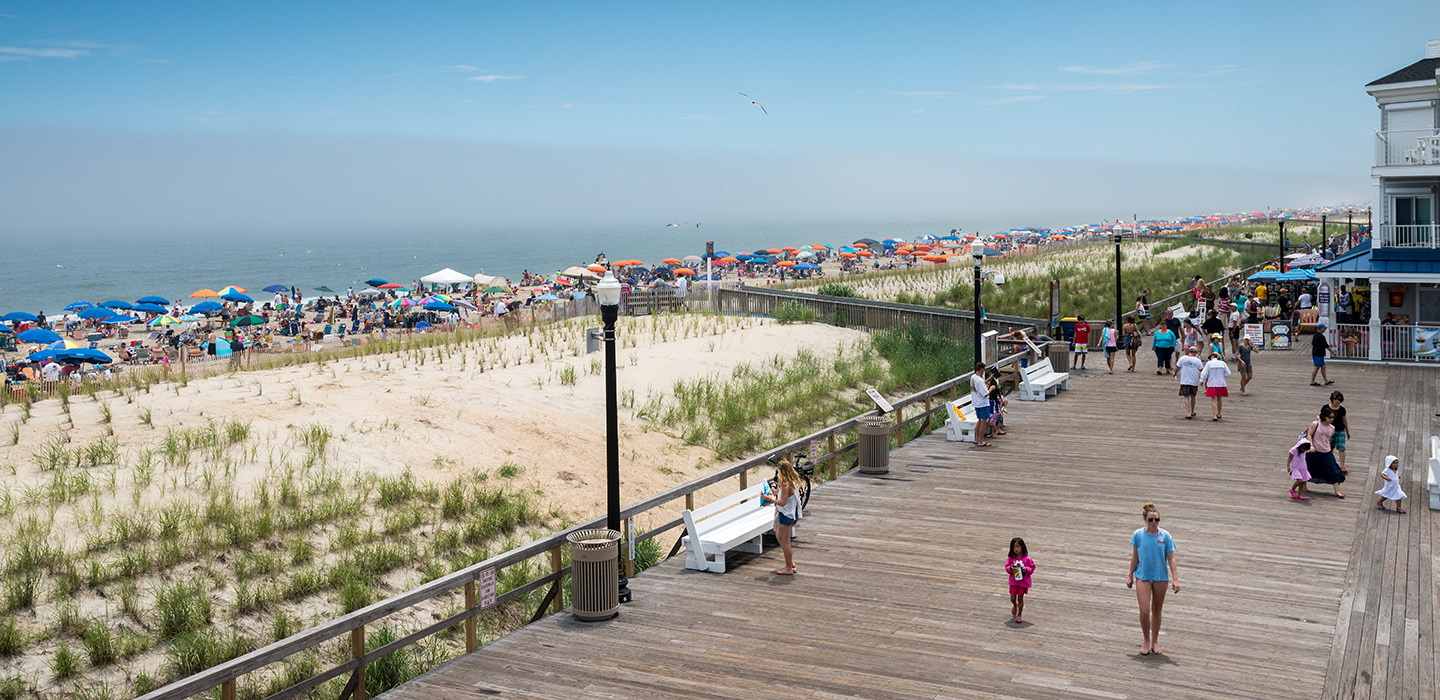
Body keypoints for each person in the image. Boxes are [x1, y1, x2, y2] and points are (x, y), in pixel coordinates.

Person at [1127, 502, 1179, 656]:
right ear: (1145, 520)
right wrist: (1129, 575)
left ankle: (1155, 641)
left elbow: (1171, 558)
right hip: (1143, 575)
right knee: (1144, 611)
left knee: (1157, 610)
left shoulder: (1165, 536)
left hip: (1160, 577)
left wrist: (1175, 579)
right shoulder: (1138, 535)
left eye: (1157, 520)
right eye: (1151, 520)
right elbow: (1135, 557)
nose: (1154, 523)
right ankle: (1146, 640)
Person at [761, 459, 802, 575]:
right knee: (780, 537)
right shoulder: (792, 481)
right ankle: (790, 562)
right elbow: (786, 496)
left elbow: (783, 502)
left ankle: (788, 568)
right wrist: (775, 492)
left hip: (786, 514)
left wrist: (771, 499)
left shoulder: (786, 484)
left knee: (785, 542)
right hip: (790, 513)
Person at [1305, 407, 1345, 498]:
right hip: (1314, 451)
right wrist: (1311, 446)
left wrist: (1330, 450)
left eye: (1333, 417)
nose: (1332, 419)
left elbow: (1328, 440)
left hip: (1326, 451)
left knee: (1332, 469)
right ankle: (1303, 485)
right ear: (1325, 417)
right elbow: (1309, 435)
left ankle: (1337, 491)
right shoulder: (1315, 424)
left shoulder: (1332, 428)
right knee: (1308, 468)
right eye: (1330, 417)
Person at [1006, 537, 1036, 624]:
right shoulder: (1011, 559)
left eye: (1018, 547)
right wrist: (1010, 569)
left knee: (1020, 598)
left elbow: (1032, 568)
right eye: (1014, 547)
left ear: (1022, 547)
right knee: (1012, 598)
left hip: (1023, 582)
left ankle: (1019, 614)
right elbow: (1007, 567)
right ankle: (1015, 605)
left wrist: (1026, 569)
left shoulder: (1027, 559)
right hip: (1014, 581)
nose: (1016, 549)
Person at [1200, 352, 1231, 421]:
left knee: (1214, 399)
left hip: (1212, 383)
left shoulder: (1209, 364)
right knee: (1219, 398)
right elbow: (1228, 373)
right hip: (1221, 383)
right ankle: (1219, 413)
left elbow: (1204, 373)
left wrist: (1202, 381)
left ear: (1212, 356)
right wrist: (1223, 377)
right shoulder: (1222, 363)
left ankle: (1214, 415)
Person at [1175, 347, 1203, 419]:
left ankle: (1188, 412)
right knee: (1193, 396)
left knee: (1186, 396)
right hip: (1194, 381)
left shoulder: (1182, 358)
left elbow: (1178, 367)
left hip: (1185, 380)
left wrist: (1175, 374)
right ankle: (1192, 411)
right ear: (1195, 353)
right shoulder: (1197, 360)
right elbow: (1201, 370)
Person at [970, 362, 993, 447]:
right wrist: (991, 389)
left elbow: (981, 383)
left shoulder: (973, 377)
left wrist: (990, 378)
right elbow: (985, 394)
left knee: (979, 421)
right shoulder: (979, 380)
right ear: (981, 369)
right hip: (983, 403)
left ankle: (976, 439)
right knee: (983, 422)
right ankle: (980, 441)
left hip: (976, 403)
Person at [1326, 391, 1349, 473]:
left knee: (1341, 448)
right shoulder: (1326, 408)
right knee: (1330, 448)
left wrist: (1347, 431)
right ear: (1332, 399)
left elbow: (1344, 420)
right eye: (1335, 399)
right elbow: (1320, 416)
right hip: (1329, 431)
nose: (1337, 401)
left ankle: (1342, 466)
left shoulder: (1342, 409)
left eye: (1339, 399)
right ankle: (1330, 464)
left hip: (1340, 430)